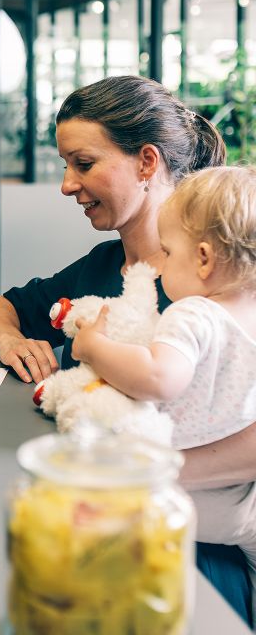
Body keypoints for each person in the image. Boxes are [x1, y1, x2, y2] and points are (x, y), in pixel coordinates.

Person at [0, 75, 255, 625]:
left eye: (83, 164)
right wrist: (11, 339)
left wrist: (138, 473)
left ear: (147, 162)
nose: (66, 185)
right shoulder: (103, 266)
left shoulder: (219, 292)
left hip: (187, 535)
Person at [71, 165, 256, 620]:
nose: (162, 265)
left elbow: (158, 376)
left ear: (204, 259)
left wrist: (94, 348)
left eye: (168, 253)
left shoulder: (194, 313)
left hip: (193, 498)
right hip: (240, 500)